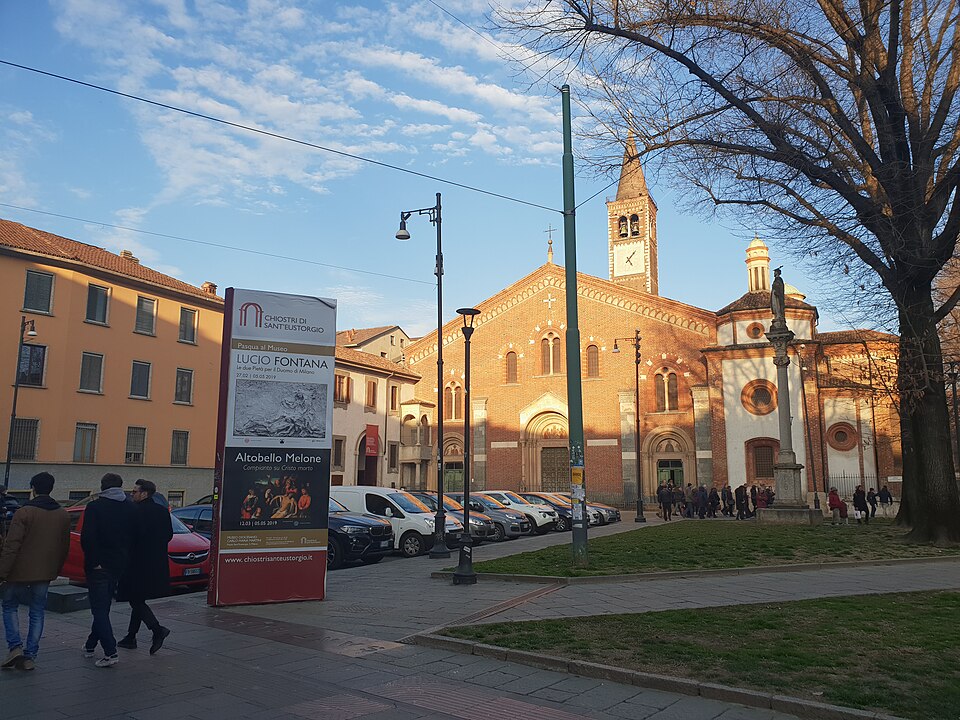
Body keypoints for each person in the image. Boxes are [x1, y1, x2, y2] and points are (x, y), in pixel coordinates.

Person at [0, 472, 70, 671]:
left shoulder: (24, 512)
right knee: (37, 611)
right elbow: (63, 546)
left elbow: (12, 545)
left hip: (18, 570)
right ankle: (30, 655)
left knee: (9, 606)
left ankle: (15, 648)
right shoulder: (62, 514)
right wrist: (56, 569)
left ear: (33, 488)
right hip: (45, 571)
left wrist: (2, 572)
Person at [80, 473, 138, 668]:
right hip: (119, 564)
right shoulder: (130, 506)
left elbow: (87, 537)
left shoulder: (95, 507)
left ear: (103, 487)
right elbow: (135, 536)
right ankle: (89, 646)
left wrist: (94, 561)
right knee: (103, 607)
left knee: (99, 609)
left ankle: (110, 651)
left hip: (99, 565)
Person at [116, 480, 172, 655]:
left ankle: (157, 630)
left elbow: (127, 538)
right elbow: (169, 535)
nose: (132, 494)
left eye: (134, 492)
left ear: (144, 493)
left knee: (135, 599)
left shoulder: (134, 512)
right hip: (156, 564)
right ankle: (131, 637)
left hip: (136, 563)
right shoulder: (162, 511)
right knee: (138, 599)